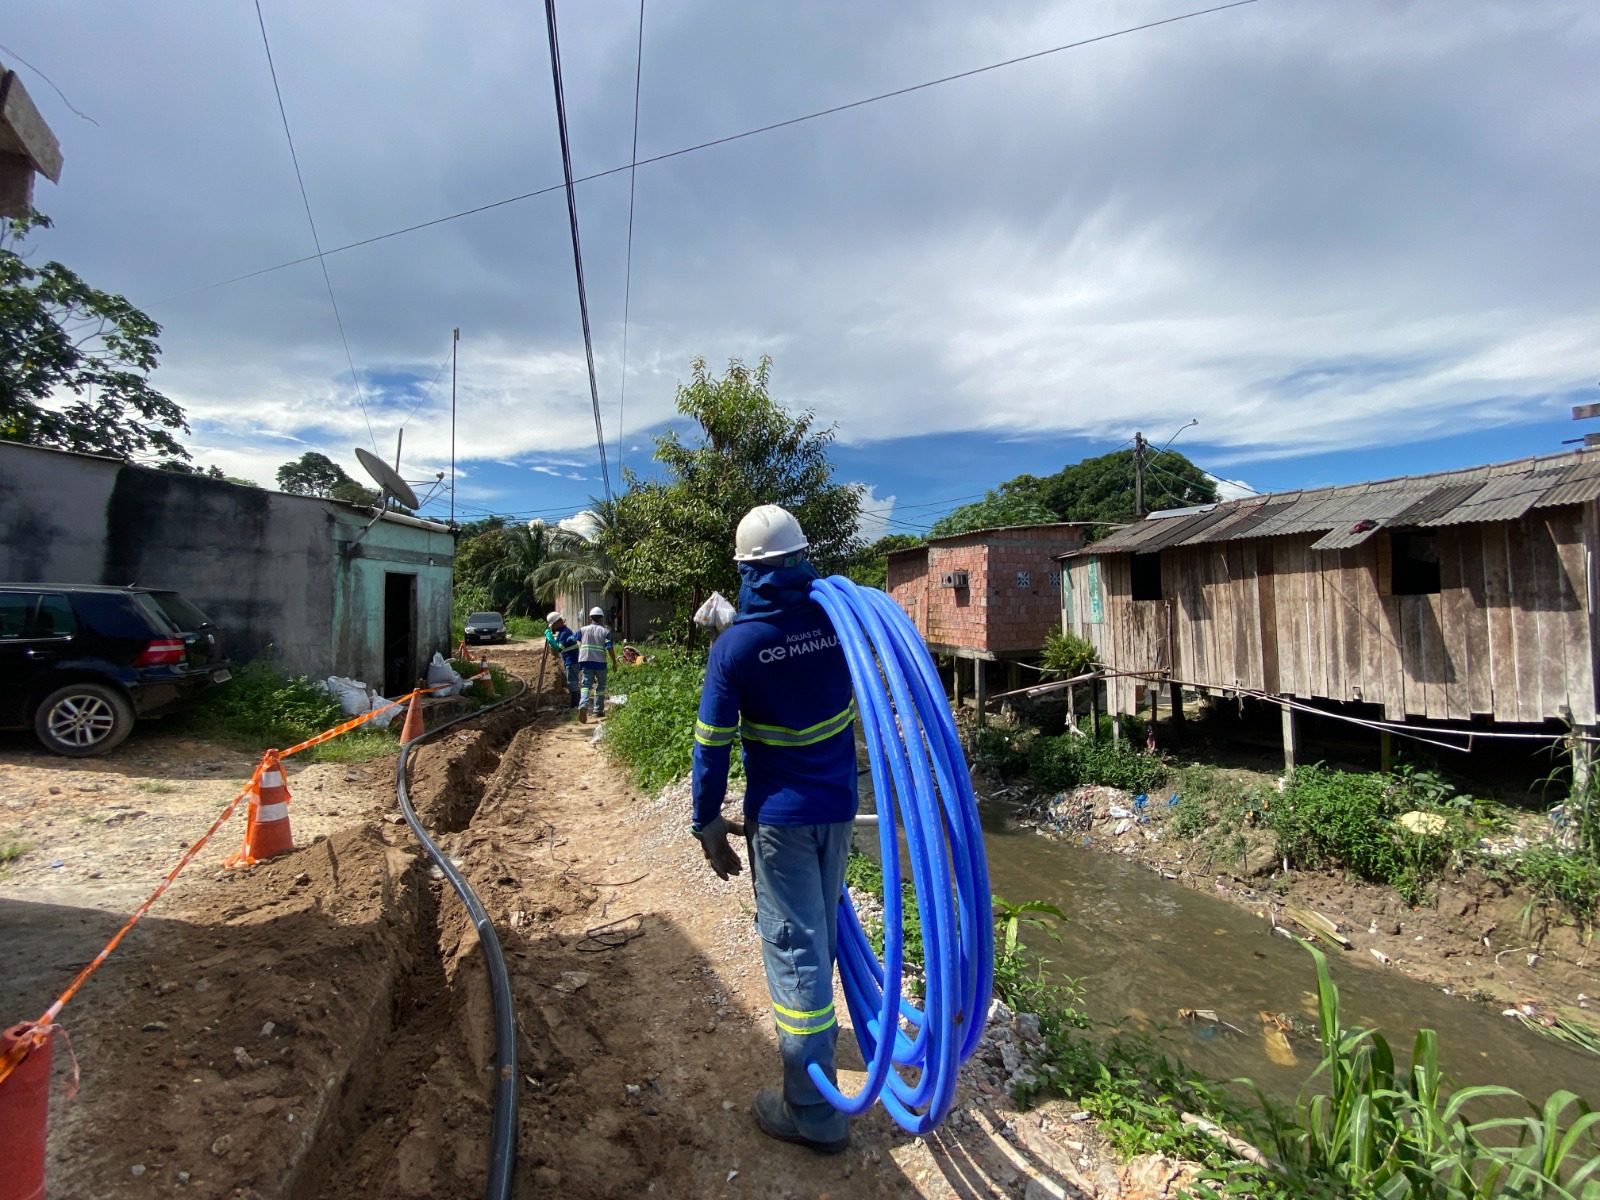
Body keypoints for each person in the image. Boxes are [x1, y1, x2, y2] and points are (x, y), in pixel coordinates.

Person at [689, 504, 857, 1155]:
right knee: (815, 939)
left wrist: (708, 820)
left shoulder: (737, 645)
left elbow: (711, 745)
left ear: (745, 571)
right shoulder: (836, 619)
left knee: (795, 952)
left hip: (782, 821)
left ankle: (812, 1110)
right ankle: (820, 1073)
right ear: (802, 557)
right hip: (839, 808)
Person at [576, 605, 617, 722]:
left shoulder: (582, 630)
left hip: (585, 662)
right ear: (601, 618)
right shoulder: (606, 632)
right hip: (600, 663)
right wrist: (614, 662)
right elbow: (609, 647)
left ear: (590, 618)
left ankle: (583, 704)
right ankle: (598, 710)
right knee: (601, 686)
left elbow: (572, 639)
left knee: (586, 686)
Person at [543, 612, 580, 708]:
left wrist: (550, 638)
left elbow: (559, 648)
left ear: (558, 622)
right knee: (572, 683)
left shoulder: (565, 633)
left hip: (572, 662)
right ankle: (575, 705)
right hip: (571, 661)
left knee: (573, 684)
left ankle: (576, 706)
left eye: (553, 626)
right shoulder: (563, 632)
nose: (553, 628)